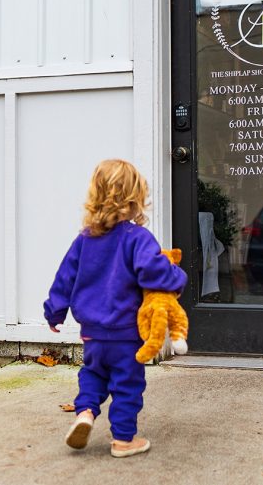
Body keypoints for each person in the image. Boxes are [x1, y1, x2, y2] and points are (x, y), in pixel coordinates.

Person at [44, 159, 188, 458]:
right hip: (126, 334)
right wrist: (179, 277)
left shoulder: (83, 241)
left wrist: (54, 311)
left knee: (93, 375)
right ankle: (123, 440)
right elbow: (153, 272)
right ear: (136, 202)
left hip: (93, 335)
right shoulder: (137, 239)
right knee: (127, 384)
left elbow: (64, 279)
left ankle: (84, 412)